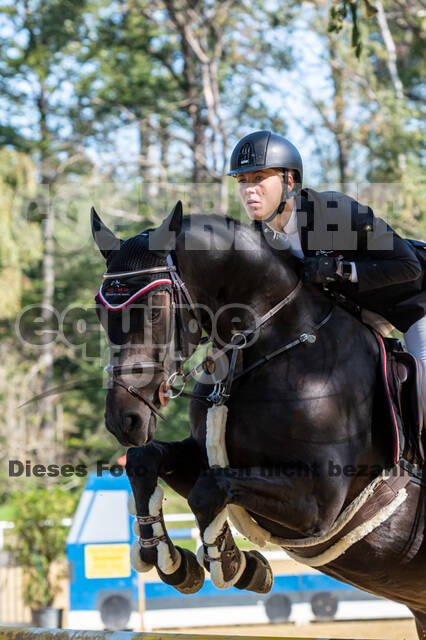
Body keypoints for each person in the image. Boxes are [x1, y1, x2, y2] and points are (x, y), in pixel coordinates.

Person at [227, 130, 426, 368]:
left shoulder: (335, 211)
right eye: (242, 180)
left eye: (259, 177)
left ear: (289, 182)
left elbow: (409, 266)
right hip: (358, 312)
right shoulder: (258, 238)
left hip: (412, 299)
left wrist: (341, 270)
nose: (249, 189)